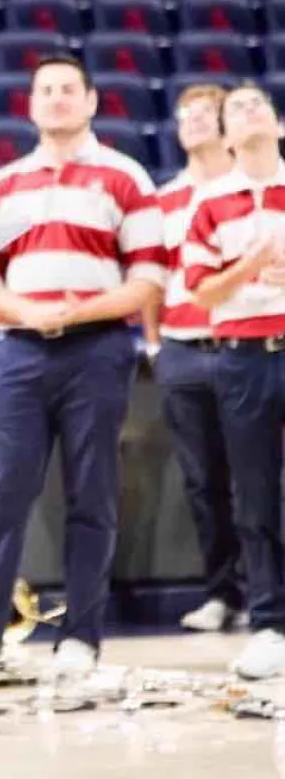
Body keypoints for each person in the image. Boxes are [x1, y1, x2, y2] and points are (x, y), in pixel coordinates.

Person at [0, 56, 166, 677]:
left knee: (92, 492)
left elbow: (149, 280)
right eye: (44, 90)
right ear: (29, 105)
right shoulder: (4, 186)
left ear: (91, 101)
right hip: (20, 352)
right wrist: (27, 311)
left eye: (67, 90)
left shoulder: (126, 177)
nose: (55, 99)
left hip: (98, 350)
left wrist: (77, 314)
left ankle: (82, 637)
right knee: (2, 492)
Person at [183, 83, 285, 679]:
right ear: (224, 136)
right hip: (242, 354)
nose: (248, 112)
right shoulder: (208, 202)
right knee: (253, 493)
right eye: (236, 108)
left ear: (278, 124)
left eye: (258, 104)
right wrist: (248, 265)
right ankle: (270, 622)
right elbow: (200, 290)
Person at [142, 84, 243, 633]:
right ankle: (222, 593)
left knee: (262, 478)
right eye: (185, 116)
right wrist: (155, 342)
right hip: (183, 347)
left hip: (244, 346)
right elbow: (153, 279)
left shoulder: (252, 184)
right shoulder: (166, 198)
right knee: (203, 482)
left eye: (205, 113)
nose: (194, 123)